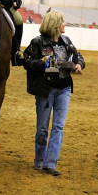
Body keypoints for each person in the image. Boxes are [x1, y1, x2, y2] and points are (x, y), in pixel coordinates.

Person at [23, 11, 85, 176]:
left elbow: (79, 56)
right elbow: (27, 61)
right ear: (55, 24)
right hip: (46, 90)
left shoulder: (66, 41)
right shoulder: (37, 42)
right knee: (42, 128)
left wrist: (79, 64)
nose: (65, 24)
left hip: (64, 89)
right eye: (63, 21)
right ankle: (39, 160)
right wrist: (45, 64)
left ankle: (50, 163)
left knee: (58, 127)